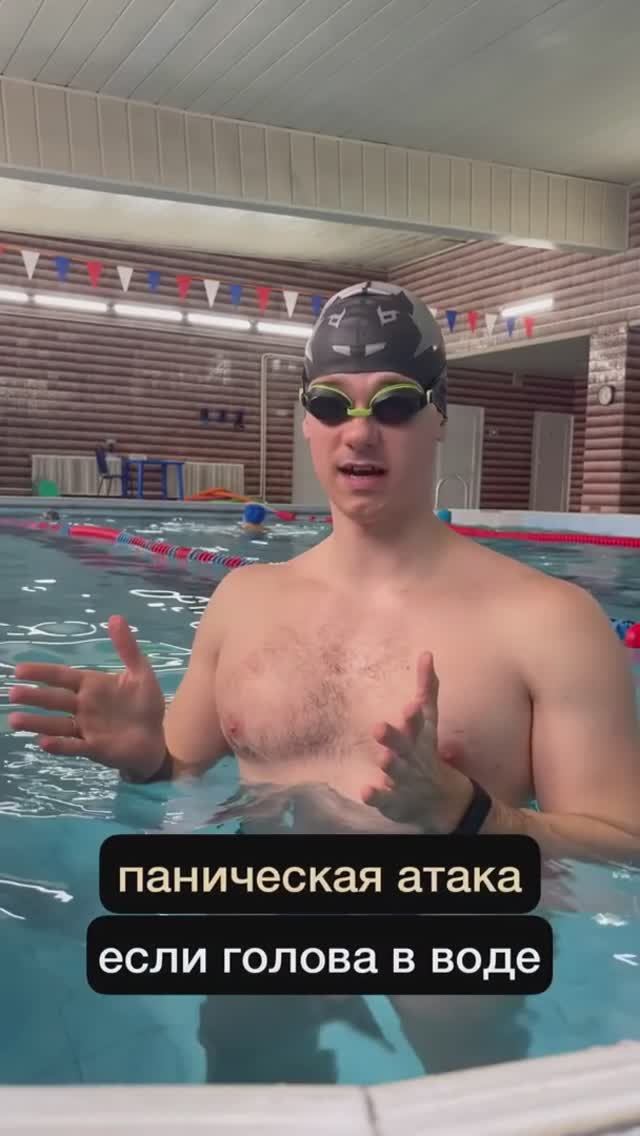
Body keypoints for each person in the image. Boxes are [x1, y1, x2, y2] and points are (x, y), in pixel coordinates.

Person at [9, 281, 640, 1078]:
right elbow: (180, 777)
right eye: (331, 403)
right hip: (265, 929)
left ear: (440, 414)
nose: (359, 431)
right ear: (307, 420)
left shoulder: (550, 619)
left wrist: (474, 817)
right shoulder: (244, 599)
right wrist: (144, 758)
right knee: (245, 1086)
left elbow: (624, 853)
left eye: (395, 404)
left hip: (454, 947)